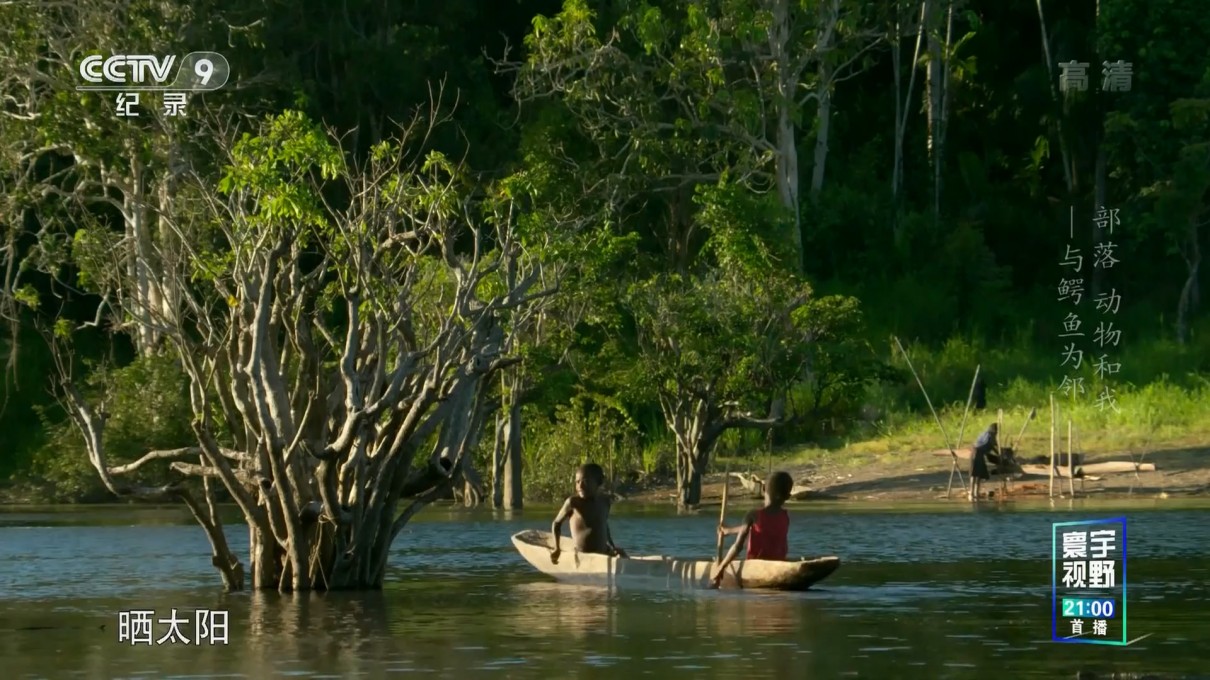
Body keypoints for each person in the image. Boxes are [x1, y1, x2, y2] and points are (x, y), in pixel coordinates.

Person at [711, 470, 794, 588]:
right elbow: (761, 529)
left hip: (756, 565)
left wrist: (720, 568)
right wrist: (728, 531)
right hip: (779, 563)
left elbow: (738, 547)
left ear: (764, 489)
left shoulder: (753, 515)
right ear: (787, 496)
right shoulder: (785, 516)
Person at [550, 463, 627, 563]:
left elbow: (603, 525)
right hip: (583, 556)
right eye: (577, 482)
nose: (580, 486)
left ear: (599, 482)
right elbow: (556, 523)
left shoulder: (605, 502)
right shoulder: (573, 502)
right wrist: (557, 548)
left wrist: (613, 547)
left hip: (603, 554)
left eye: (585, 481)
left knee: (623, 555)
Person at [969, 422, 998, 501]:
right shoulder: (991, 435)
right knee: (978, 473)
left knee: (973, 473)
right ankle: (975, 493)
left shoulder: (983, 433)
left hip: (973, 451)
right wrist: (999, 453)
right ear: (995, 430)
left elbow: (980, 443)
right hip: (978, 453)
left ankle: (972, 493)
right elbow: (992, 446)